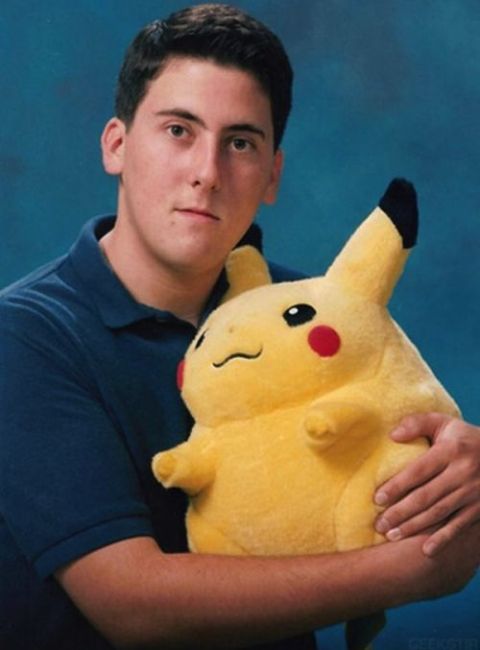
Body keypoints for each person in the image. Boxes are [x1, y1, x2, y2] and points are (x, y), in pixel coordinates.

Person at [0, 4, 479, 649]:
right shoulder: (25, 335)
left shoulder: (311, 313)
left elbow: (414, 430)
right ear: (117, 145)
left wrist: (460, 463)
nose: (207, 172)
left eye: (241, 142)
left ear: (272, 174)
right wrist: (414, 568)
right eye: (179, 130)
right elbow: (130, 604)